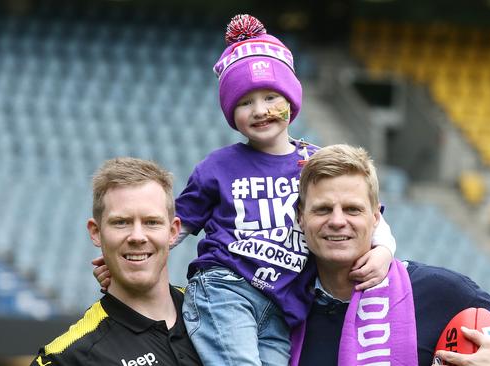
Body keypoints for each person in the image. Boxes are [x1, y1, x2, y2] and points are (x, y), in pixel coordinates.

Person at [90, 14, 397, 365]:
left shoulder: (317, 165)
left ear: (291, 101)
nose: (260, 110)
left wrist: (383, 251)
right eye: (245, 102)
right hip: (225, 290)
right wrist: (127, 260)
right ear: (230, 112)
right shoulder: (216, 167)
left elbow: (372, 216)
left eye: (270, 97)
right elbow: (175, 227)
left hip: (284, 307)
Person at [289, 144, 490, 366]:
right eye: (323, 209)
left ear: (375, 217)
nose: (337, 221)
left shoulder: (442, 292)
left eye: (352, 209)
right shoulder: (279, 307)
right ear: (301, 218)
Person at [30, 158, 201, 365]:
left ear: (173, 232)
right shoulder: (67, 359)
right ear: (96, 232)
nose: (137, 236)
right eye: (121, 222)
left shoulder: (217, 312)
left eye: (151, 222)